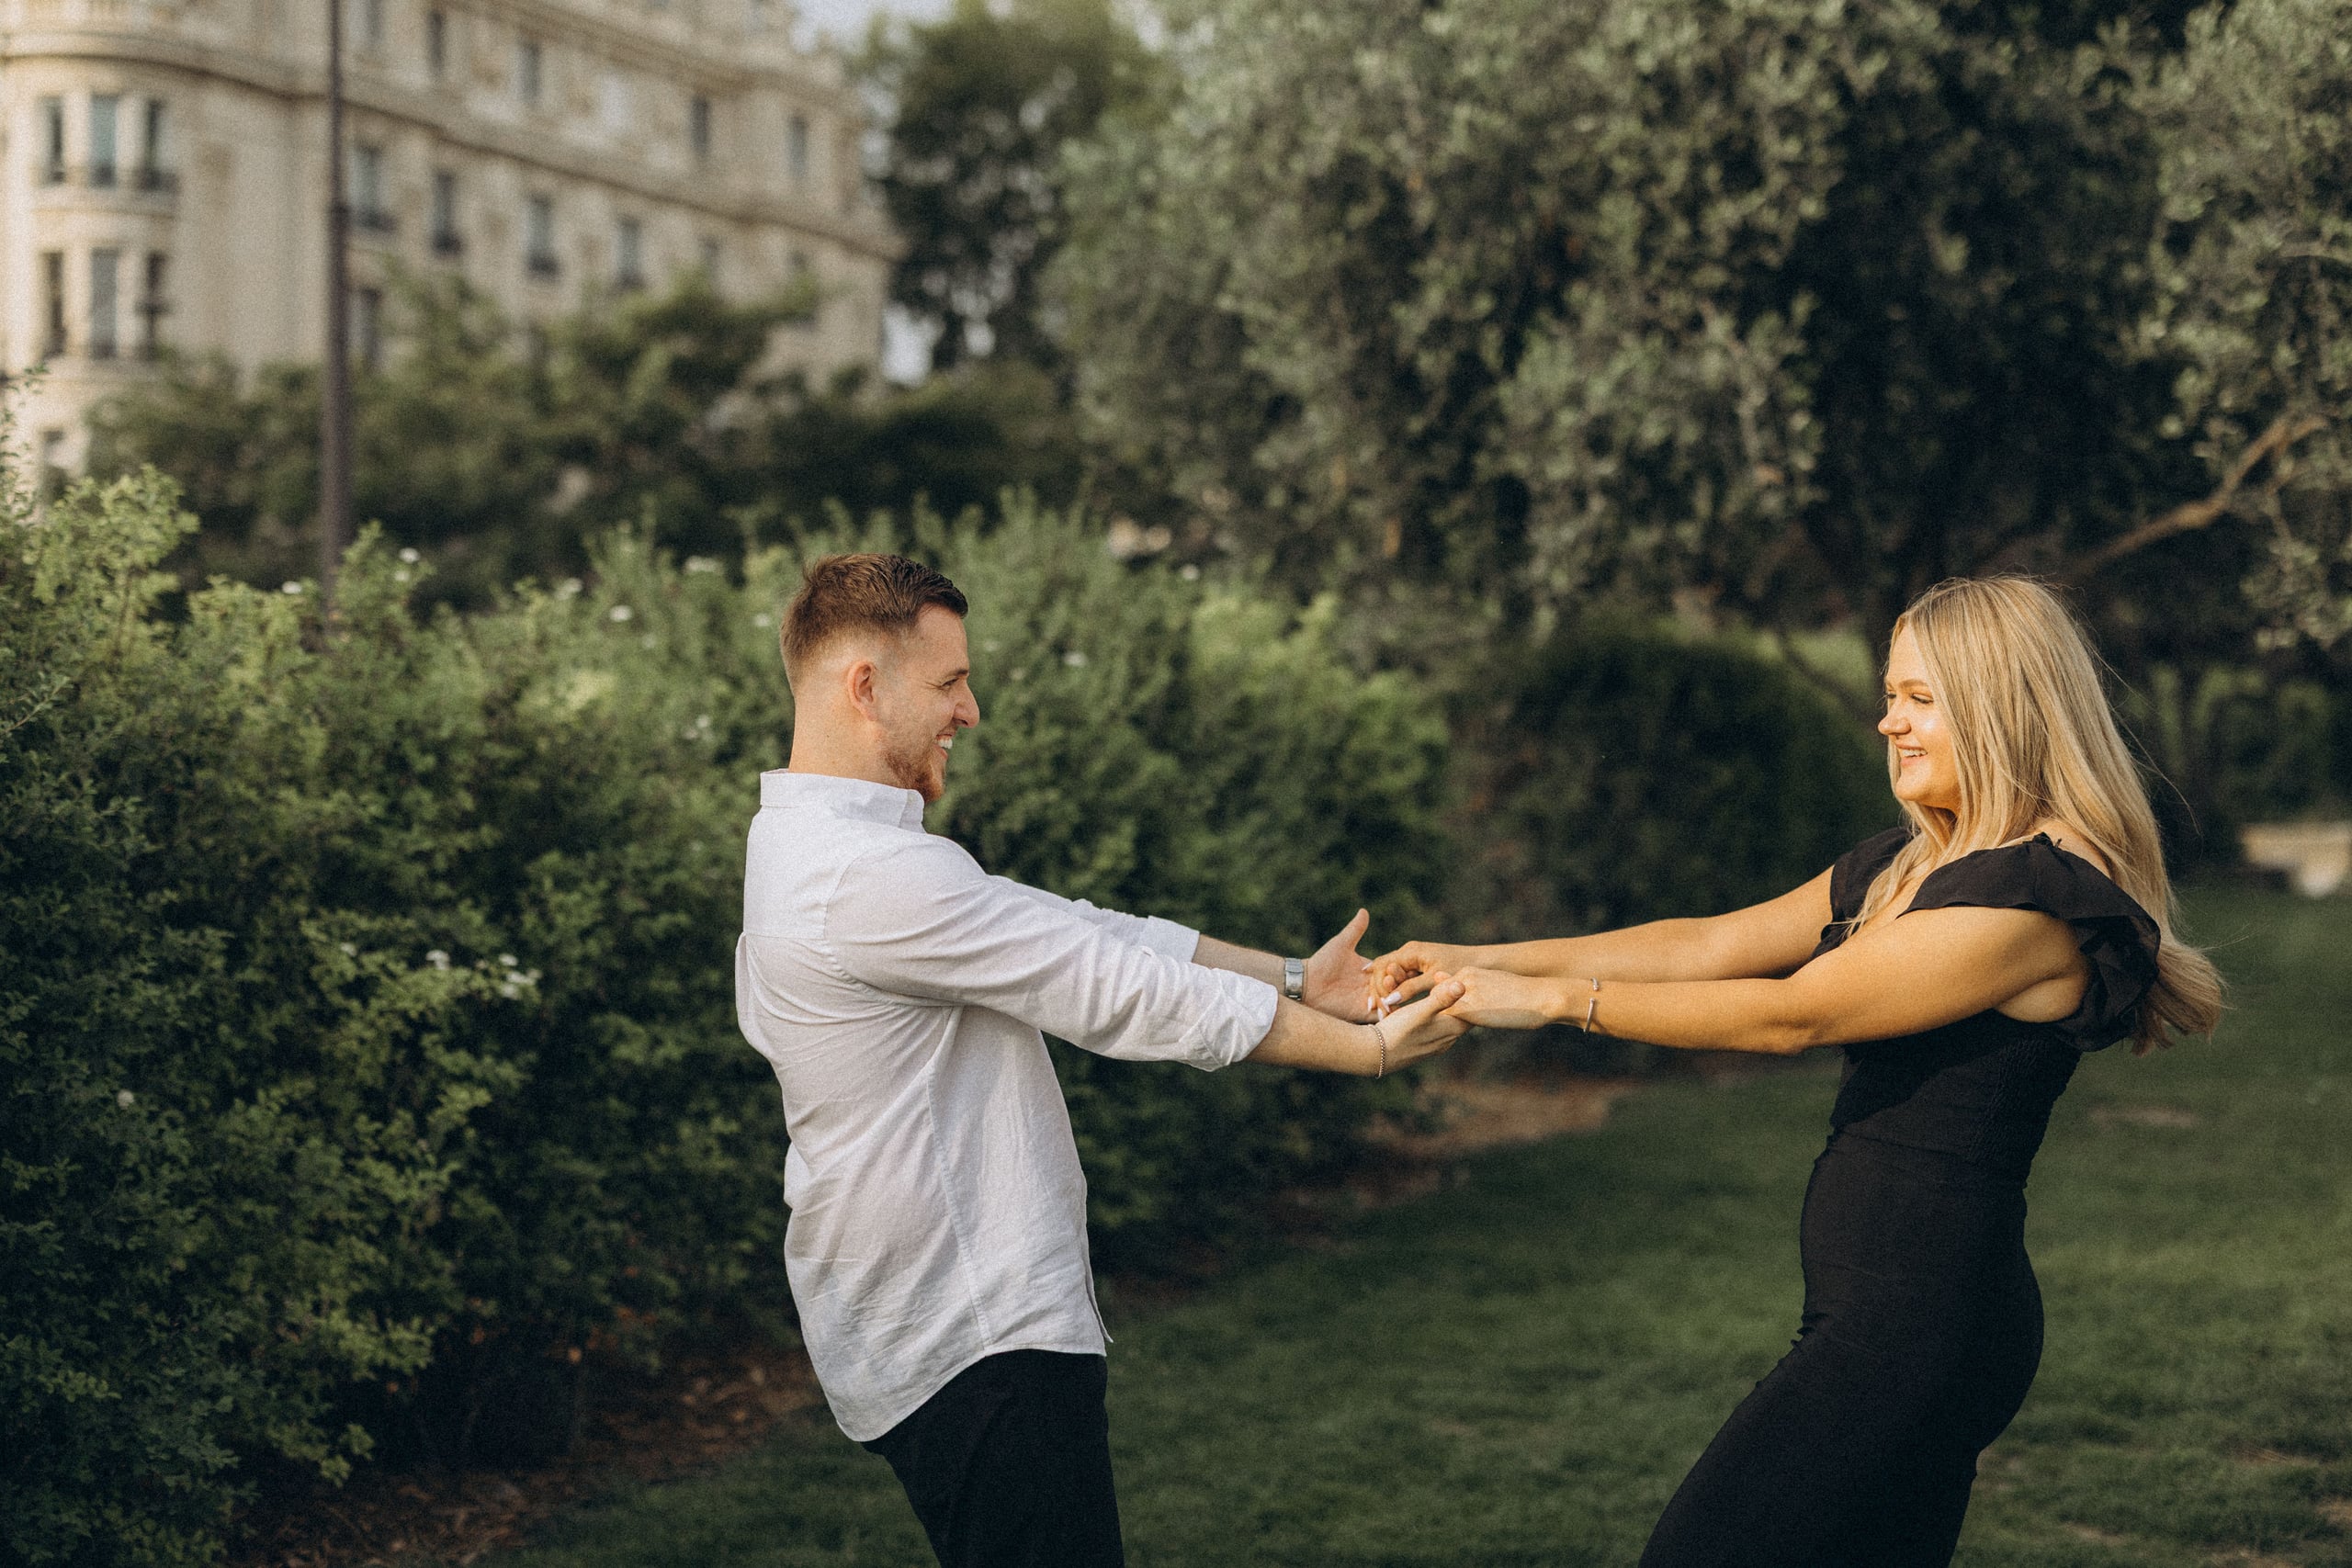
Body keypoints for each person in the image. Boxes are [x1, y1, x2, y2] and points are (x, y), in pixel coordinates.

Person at [1371, 576, 2223, 1567]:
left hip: (1916, 1329)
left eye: (1917, 698)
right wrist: (1479, 961)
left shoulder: (2030, 900)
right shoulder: (1916, 868)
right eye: (1889, 694)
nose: (1885, 722)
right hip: (1897, 1317)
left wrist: (1560, 1003)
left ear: (1999, 704)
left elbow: (1791, 1013)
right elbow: (1707, 944)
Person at [735, 552, 1466, 1568]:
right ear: (865, 685)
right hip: (970, 1333)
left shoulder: (830, 850)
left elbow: (1089, 931)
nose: (972, 709)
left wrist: (1301, 980)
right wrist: (1368, 1050)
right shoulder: (863, 877)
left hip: (947, 1326)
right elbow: (1115, 988)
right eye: (949, 681)